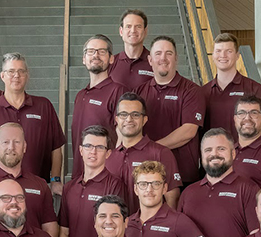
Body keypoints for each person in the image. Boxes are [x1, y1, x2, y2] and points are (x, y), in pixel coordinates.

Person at [177, 128, 260, 237]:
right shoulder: (188, 193)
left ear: (233, 153)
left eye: (220, 149)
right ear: (201, 155)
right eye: (208, 150)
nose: (214, 154)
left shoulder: (248, 189)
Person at [0, 52, 65, 194]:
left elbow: (56, 148)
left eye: (21, 71)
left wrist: (55, 180)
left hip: (35, 189)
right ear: (2, 76)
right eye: (11, 71)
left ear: (27, 75)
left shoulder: (44, 106)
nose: (16, 76)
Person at [0, 123, 59, 237]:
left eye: (17, 142)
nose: (11, 147)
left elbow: (50, 227)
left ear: (24, 147)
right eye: (5, 142)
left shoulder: (40, 185)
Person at [134, 36, 204, 188]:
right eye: (158, 53)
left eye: (169, 53)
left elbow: (189, 131)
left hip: (183, 174)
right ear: (150, 60)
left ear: (176, 58)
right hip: (147, 174)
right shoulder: (139, 92)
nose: (163, 58)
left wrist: (151, 149)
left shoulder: (192, 91)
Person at [60, 125, 129, 237]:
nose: (93, 151)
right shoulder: (69, 187)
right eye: (88, 146)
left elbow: (116, 228)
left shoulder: (115, 185)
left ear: (108, 153)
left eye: (100, 147)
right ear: (81, 150)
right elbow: (63, 230)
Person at [106, 92, 181, 206]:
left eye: (135, 114)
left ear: (144, 119)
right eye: (123, 114)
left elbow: (172, 199)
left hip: (150, 223)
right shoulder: (109, 157)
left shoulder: (161, 153)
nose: (129, 119)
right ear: (117, 119)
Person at [71, 34, 128, 179]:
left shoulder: (117, 91)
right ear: (84, 59)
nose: (95, 55)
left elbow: (123, 135)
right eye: (91, 51)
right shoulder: (80, 95)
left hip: (104, 177)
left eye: (102, 51)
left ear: (111, 58)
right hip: (80, 176)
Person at [201, 33, 261, 140]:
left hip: (246, 155)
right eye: (218, 51)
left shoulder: (254, 89)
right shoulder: (202, 92)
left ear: (237, 55)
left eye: (229, 51)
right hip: (214, 155)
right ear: (213, 55)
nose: (223, 55)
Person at [110, 10, 153, 89]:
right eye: (128, 26)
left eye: (138, 26)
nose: (133, 31)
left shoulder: (155, 62)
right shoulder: (111, 63)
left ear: (145, 31)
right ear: (121, 31)